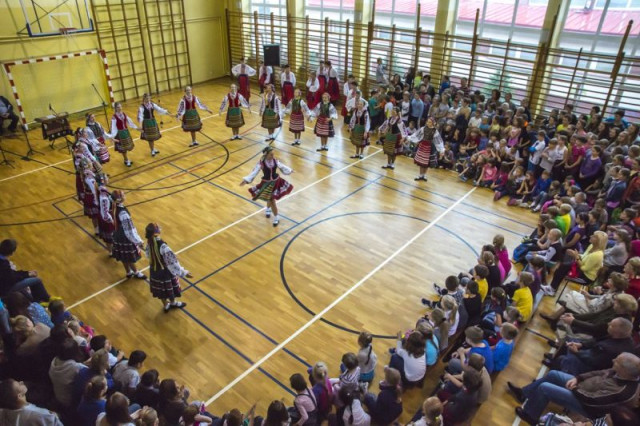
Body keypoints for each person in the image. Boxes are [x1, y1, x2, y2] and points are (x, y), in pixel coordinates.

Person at [508, 352, 640, 425]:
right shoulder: (619, 371)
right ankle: (524, 393)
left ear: (624, 370)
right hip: (581, 388)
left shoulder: (624, 391)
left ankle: (531, 415)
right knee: (553, 374)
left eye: (617, 361)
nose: (613, 360)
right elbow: (598, 372)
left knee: (545, 388)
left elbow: (593, 401)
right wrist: (578, 378)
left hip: (587, 406)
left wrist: (575, 389)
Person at [240, 146, 294, 227]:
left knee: (271, 199)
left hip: (276, 182)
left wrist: (290, 170)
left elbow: (282, 166)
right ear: (266, 155)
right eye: (271, 154)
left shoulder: (275, 161)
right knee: (271, 199)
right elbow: (254, 172)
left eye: (273, 154)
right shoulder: (261, 163)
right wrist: (246, 180)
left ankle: (273, 214)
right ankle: (273, 214)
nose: (273, 156)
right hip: (266, 183)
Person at [145, 223, 191, 313]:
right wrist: (184, 272)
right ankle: (173, 303)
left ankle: (166, 305)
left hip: (154, 271)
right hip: (164, 272)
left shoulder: (149, 243)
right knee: (169, 288)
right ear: (155, 233)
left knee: (161, 290)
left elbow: (148, 255)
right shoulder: (163, 246)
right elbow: (172, 262)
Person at [0, 239, 52, 303]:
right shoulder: (3, 264)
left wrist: (27, 273)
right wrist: (27, 274)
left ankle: (41, 299)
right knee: (37, 280)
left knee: (25, 287)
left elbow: (10, 274)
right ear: (12, 253)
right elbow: (11, 278)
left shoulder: (3, 262)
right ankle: (45, 300)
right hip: (4, 290)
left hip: (4, 285)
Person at [110, 190, 146, 280]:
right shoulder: (123, 213)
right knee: (128, 256)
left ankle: (128, 272)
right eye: (123, 195)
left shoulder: (114, 206)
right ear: (119, 199)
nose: (124, 195)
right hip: (124, 236)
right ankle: (136, 272)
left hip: (117, 234)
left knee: (123, 255)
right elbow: (129, 229)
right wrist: (138, 241)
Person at [406, 117, 444, 181]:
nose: (428, 123)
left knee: (427, 162)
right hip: (422, 146)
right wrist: (409, 138)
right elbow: (416, 135)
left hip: (430, 147)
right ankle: (420, 175)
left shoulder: (435, 131)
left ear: (433, 123)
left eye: (430, 122)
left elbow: (438, 141)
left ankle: (424, 175)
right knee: (421, 162)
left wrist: (441, 150)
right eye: (428, 122)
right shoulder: (423, 128)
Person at [106, 102, 138, 167]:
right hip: (119, 133)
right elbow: (113, 127)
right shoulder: (114, 117)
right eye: (118, 107)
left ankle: (126, 159)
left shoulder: (124, 114)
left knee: (126, 147)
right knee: (123, 148)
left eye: (120, 107)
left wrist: (136, 128)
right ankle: (126, 160)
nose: (120, 108)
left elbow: (130, 122)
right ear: (115, 108)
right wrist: (112, 136)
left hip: (125, 132)